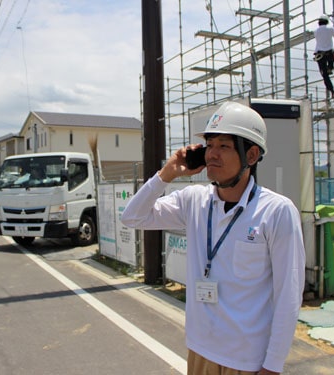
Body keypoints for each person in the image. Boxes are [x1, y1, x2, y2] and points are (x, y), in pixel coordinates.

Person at [121, 102, 305, 375]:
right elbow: (132, 218)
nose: (212, 155)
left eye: (224, 146)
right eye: (209, 145)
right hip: (200, 351)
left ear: (251, 155)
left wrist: (273, 365)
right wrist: (166, 174)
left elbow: (288, 296)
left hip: (247, 360)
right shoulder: (193, 201)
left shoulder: (277, 211)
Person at [314, 14, 334, 99]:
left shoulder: (316, 31)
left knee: (325, 76)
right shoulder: (330, 29)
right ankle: (330, 67)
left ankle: (332, 91)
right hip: (329, 54)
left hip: (320, 55)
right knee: (331, 61)